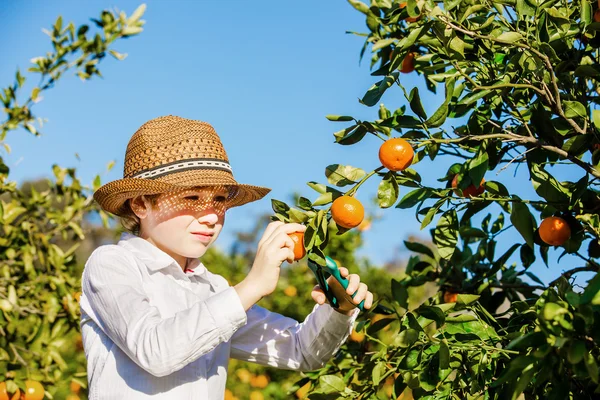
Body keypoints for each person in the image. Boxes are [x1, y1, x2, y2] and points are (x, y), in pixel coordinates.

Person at [80, 115, 374, 399]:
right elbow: (155, 351)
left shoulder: (213, 289)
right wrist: (253, 285)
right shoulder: (112, 265)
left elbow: (301, 351)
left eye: (219, 200)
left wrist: (338, 310)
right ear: (141, 204)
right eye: (192, 198)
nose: (211, 217)